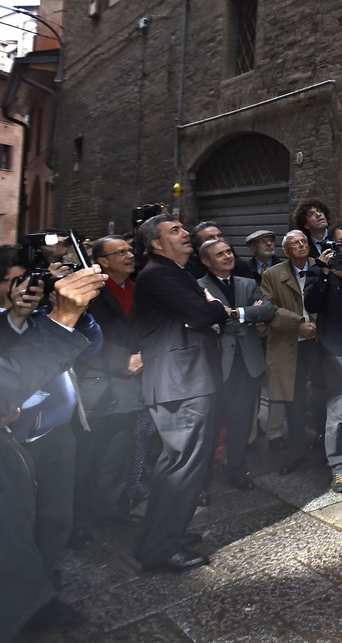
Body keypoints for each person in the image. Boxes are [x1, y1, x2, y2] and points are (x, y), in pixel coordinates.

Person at [0, 268, 106, 637]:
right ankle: (25, 602)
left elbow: (92, 345)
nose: (30, 288)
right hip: (17, 442)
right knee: (16, 531)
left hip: (56, 434)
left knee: (55, 517)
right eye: (18, 281)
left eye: (36, 281)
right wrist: (18, 317)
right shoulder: (6, 324)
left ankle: (40, 592)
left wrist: (70, 311)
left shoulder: (48, 316)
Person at [132, 214, 229, 572]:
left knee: (175, 465)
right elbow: (201, 312)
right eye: (175, 231)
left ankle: (161, 536)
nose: (186, 234)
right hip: (182, 383)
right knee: (182, 467)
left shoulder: (173, 271)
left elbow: (199, 312)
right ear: (156, 244)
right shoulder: (159, 274)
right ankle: (160, 549)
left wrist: (207, 307)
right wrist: (215, 307)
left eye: (183, 229)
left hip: (186, 380)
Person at [72, 236, 144, 530]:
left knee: (118, 452)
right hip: (97, 385)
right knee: (87, 455)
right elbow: (81, 337)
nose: (129, 255)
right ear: (102, 261)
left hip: (130, 389)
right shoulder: (88, 293)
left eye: (130, 250)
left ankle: (108, 507)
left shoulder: (136, 289)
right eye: (120, 252)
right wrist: (121, 361)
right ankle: (73, 518)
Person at [197, 238, 275, 491]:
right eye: (219, 254)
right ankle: (202, 483)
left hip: (247, 365)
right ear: (206, 262)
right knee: (210, 428)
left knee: (241, 423)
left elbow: (268, 311)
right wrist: (247, 317)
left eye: (229, 251)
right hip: (216, 366)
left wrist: (232, 313)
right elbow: (207, 322)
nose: (227, 256)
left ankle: (238, 472)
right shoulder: (199, 287)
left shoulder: (248, 283)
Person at [304, 222, 342, 492]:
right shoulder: (318, 270)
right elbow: (312, 304)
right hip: (335, 351)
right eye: (340, 242)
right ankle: (338, 467)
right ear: (330, 244)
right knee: (337, 414)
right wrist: (326, 272)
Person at [260, 230, 320, 475]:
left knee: (324, 395)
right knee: (294, 402)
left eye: (304, 241)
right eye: (294, 243)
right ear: (285, 252)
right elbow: (268, 308)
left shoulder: (322, 266)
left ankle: (326, 447)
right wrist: (298, 324)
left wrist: (318, 324)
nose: (301, 245)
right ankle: (297, 453)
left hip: (319, 343)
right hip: (290, 345)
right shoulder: (273, 275)